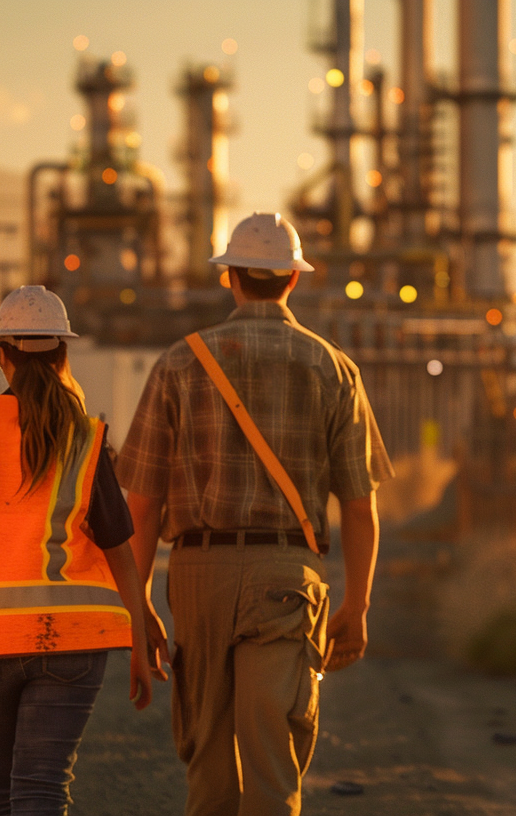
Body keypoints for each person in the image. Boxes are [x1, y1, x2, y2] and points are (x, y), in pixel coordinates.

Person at [117, 212, 394, 816]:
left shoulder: (178, 363)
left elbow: (141, 501)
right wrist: (358, 605)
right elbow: (359, 503)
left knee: (209, 767)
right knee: (273, 768)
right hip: (287, 580)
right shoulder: (333, 367)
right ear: (292, 281)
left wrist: (137, 609)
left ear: (231, 278)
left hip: (198, 575)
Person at [0, 285, 162, 816]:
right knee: (42, 788)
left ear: (1, 355)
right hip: (69, 637)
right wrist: (140, 636)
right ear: (62, 355)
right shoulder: (86, 436)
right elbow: (120, 549)